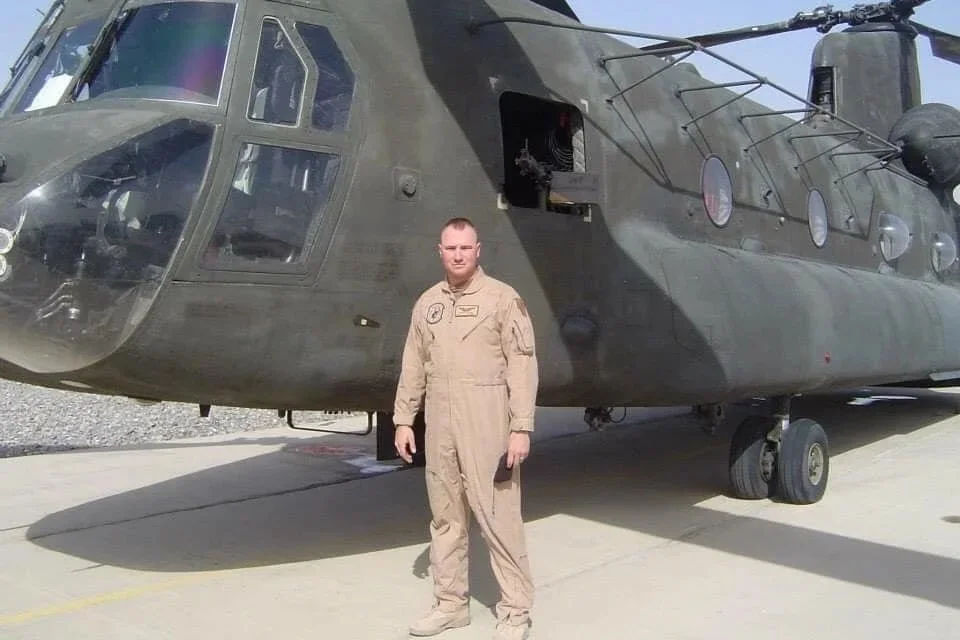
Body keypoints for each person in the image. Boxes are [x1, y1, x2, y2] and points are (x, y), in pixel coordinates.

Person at [393, 217, 539, 640]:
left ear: (478, 251)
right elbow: (413, 364)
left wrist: (520, 427)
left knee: (498, 516)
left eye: (465, 248)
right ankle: (450, 605)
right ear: (440, 252)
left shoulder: (503, 299)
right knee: (445, 518)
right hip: (440, 422)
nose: (458, 255)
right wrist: (404, 419)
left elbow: (522, 365)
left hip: (487, 419)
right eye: (450, 248)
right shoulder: (427, 304)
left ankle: (515, 612)